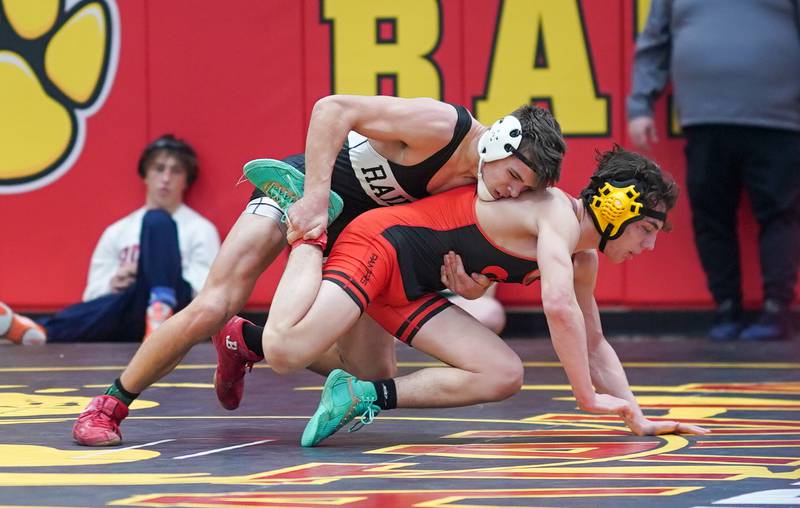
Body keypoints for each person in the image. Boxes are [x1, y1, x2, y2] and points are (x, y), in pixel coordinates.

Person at [70, 95, 566, 447]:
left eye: (525, 191)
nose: (512, 194)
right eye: (514, 177)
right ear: (500, 142)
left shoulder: (478, 188)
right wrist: (311, 199)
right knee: (216, 302)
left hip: (360, 238)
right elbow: (332, 110)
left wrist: (467, 285)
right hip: (302, 195)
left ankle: (247, 341)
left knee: (372, 373)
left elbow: (436, 244)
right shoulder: (444, 127)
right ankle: (110, 404)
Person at [230, 146, 708, 447]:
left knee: (502, 374)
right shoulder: (556, 216)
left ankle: (357, 395)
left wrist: (636, 416)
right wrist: (586, 397)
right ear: (614, 207)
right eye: (647, 229)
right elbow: (559, 309)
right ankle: (308, 229)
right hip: (378, 246)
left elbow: (595, 343)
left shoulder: (584, 258)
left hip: (411, 287)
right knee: (287, 352)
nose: (648, 246)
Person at [627, 0, 800, 341]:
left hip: (779, 119)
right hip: (704, 119)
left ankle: (778, 312)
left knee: (780, 212)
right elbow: (654, 41)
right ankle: (726, 308)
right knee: (711, 215)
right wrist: (640, 104)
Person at [0, 134, 220, 345]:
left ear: (186, 180)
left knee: (157, 220)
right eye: (159, 169)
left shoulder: (200, 229)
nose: (165, 178)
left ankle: (159, 307)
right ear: (145, 175)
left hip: (179, 314)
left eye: (176, 171)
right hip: (130, 314)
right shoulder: (118, 231)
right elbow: (93, 296)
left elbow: (210, 293)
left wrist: (157, 273)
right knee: (130, 295)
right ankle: (38, 333)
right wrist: (114, 282)